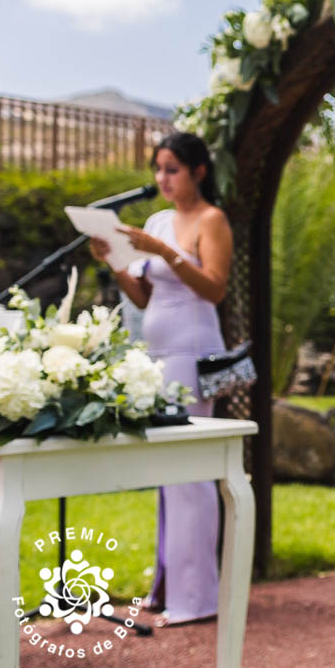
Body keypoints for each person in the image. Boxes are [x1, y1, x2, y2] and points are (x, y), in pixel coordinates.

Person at [92, 132, 233, 628]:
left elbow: (214, 289)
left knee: (191, 475)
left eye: (172, 168)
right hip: (156, 355)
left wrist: (165, 252)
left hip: (193, 355)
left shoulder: (211, 220)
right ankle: (169, 586)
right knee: (167, 476)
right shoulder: (156, 220)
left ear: (197, 170)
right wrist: (112, 259)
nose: (162, 179)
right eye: (158, 169)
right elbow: (146, 298)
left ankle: (198, 598)